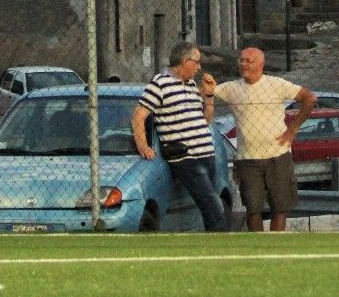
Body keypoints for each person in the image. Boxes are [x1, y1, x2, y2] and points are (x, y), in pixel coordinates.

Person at [205, 48, 316, 232]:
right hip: (247, 158)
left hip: (278, 154)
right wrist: (208, 88)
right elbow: (210, 93)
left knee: (279, 208)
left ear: (260, 64)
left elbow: (309, 98)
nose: (243, 64)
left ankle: (275, 247)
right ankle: (257, 245)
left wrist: (292, 130)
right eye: (241, 60)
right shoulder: (232, 88)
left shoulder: (276, 84)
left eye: (249, 61)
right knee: (252, 208)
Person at [131, 41, 229, 232]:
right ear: (185, 61)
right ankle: (223, 243)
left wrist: (208, 97)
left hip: (205, 154)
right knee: (212, 203)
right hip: (186, 157)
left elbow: (205, 120)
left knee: (212, 203)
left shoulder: (191, 85)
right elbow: (138, 116)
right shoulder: (159, 83)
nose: (199, 67)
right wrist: (143, 146)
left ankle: (214, 242)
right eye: (197, 62)